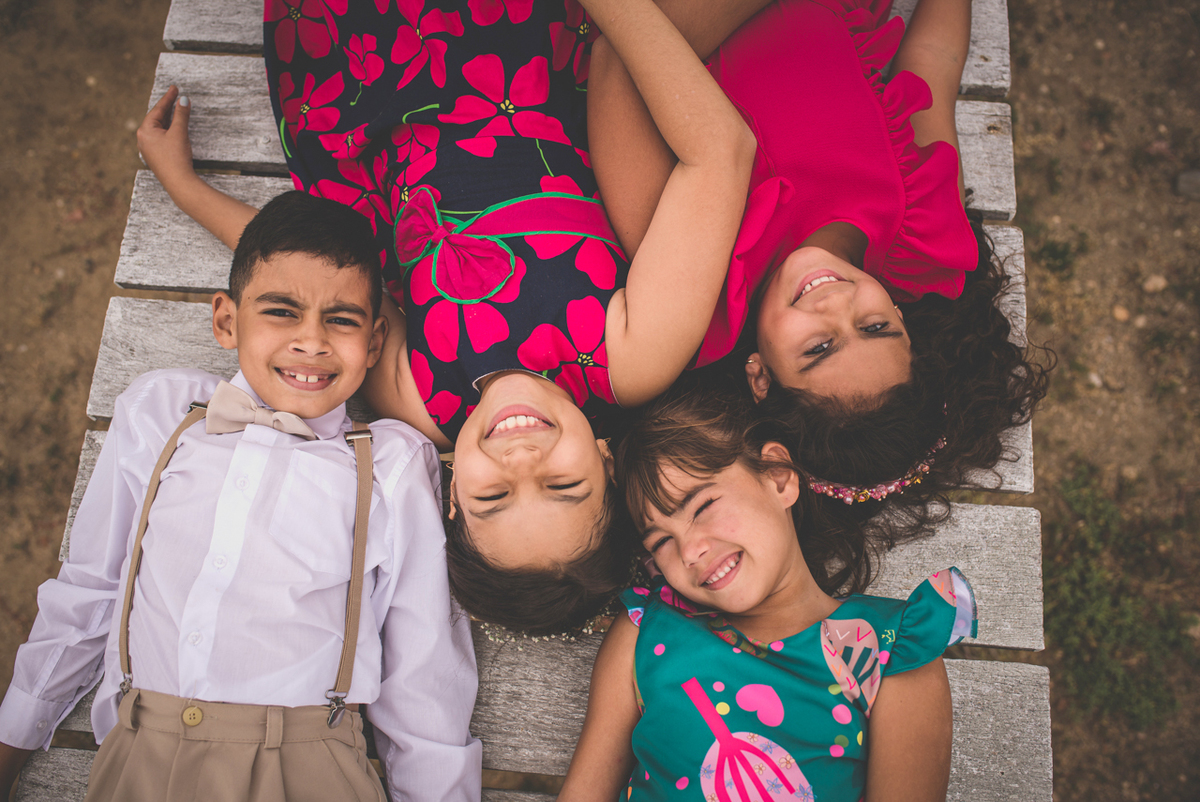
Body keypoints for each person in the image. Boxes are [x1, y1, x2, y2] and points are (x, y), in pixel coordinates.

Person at [137, 0, 756, 632]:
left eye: (495, 495)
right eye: (563, 486)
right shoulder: (631, 358)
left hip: (372, 96)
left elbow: (307, 278)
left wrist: (186, 188)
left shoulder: (423, 400)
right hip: (518, 57)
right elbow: (718, 154)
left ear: (455, 496)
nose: (522, 459)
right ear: (607, 463)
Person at [0, 193, 481, 801]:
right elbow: (92, 588)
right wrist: (12, 740)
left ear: (375, 340)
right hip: (140, 750)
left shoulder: (390, 465)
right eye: (281, 311)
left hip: (307, 766)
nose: (312, 342)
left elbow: (423, 675)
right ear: (226, 321)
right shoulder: (161, 413)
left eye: (342, 320)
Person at [587, 0, 1050, 517]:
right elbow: (933, 63)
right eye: (875, 327)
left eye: (819, 347)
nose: (836, 304)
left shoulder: (696, 286)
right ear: (903, 320)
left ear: (760, 378)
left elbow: (616, 64)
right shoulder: (920, 234)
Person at [557, 387, 977, 801]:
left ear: (778, 477)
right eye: (661, 542)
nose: (689, 552)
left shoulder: (892, 650)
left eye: (702, 507)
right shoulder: (645, 633)